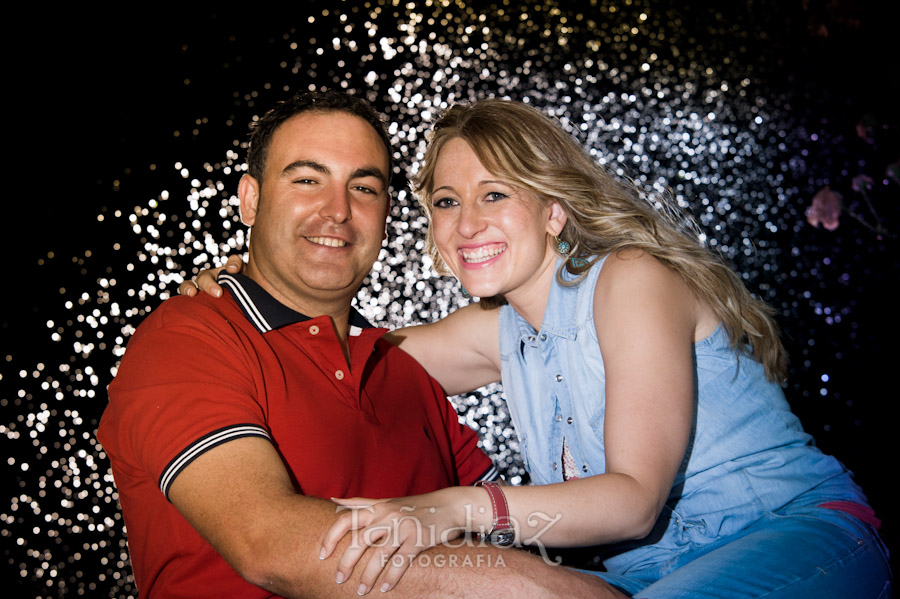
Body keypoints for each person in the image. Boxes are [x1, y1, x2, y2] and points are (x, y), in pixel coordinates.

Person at [190, 98, 892, 598]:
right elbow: (333, 357)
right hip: (651, 577)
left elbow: (634, 503)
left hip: (802, 532)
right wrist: (245, 289)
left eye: (495, 194)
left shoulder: (629, 282)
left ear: (553, 209)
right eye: (445, 201)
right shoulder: (498, 331)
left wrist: (448, 508)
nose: (467, 223)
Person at [98, 91, 625, 599]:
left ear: (387, 213)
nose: (338, 210)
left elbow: (502, 530)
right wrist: (544, 590)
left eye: (364, 188)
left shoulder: (403, 368)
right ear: (250, 200)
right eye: (307, 179)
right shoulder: (190, 337)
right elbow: (270, 545)